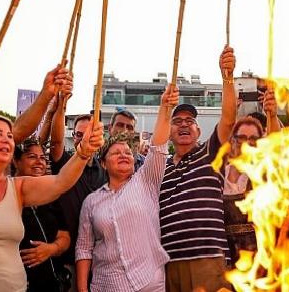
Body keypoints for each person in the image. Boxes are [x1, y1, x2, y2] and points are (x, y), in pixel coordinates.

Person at [0, 114, 104, 292]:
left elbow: (61, 182)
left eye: (10, 136)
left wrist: (84, 152)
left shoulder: (17, 187)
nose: (6, 139)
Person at [76, 85, 179, 292]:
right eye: (116, 153)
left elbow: (159, 146)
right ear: (103, 163)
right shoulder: (92, 201)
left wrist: (164, 109)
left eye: (128, 153)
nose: (124, 155)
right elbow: (84, 249)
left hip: (149, 283)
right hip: (107, 285)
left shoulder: (146, 181)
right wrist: (82, 289)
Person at [160, 46, 237, 292]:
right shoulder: (158, 169)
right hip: (168, 264)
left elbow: (228, 119)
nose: (184, 125)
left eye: (190, 121)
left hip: (208, 260)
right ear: (169, 131)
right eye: (177, 121)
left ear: (199, 131)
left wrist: (227, 77)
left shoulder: (209, 153)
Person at [47, 114, 108, 283]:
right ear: (73, 137)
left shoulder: (104, 172)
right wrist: (62, 105)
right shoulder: (64, 163)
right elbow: (57, 142)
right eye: (79, 135)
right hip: (67, 258)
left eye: (89, 133)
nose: (84, 139)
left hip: (98, 261)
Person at [15, 137, 71, 292]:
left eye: (42, 158)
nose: (39, 162)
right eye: (32, 157)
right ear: (16, 161)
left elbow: (64, 237)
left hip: (51, 283)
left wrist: (51, 249)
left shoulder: (52, 197)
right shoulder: (5, 195)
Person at [223, 117, 263, 264]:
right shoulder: (218, 176)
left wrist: (271, 116)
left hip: (256, 260)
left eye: (252, 139)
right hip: (224, 259)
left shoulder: (262, 176)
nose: (246, 143)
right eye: (241, 138)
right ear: (232, 141)